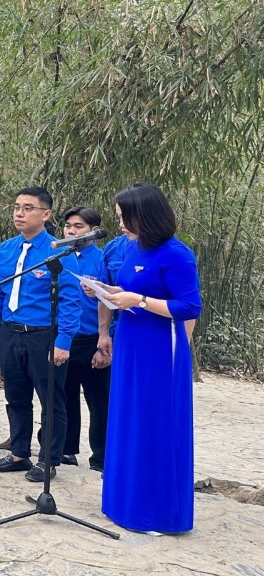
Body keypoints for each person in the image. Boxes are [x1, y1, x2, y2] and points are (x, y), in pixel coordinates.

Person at [94, 183, 202, 534]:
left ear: (146, 215)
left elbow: (189, 306)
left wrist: (138, 301)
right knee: (127, 418)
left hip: (159, 347)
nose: (120, 224)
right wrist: (107, 292)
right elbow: (129, 290)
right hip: (130, 341)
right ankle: (123, 503)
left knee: (155, 421)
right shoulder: (131, 247)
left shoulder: (177, 254)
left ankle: (157, 512)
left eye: (124, 217)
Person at [0, 186, 80, 482]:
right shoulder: (5, 249)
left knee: (50, 400)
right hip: (11, 332)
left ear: (46, 214)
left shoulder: (59, 251)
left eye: (28, 208)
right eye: (16, 207)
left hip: (44, 335)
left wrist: (64, 340)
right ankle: (19, 453)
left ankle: (48, 460)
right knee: (16, 396)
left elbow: (71, 298)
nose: (19, 213)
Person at [59, 206, 112, 472]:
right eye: (68, 226)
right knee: (64, 396)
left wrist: (105, 343)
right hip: (65, 338)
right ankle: (66, 450)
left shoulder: (103, 260)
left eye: (78, 226)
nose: (71, 231)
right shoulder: (58, 258)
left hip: (93, 338)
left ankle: (101, 458)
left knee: (99, 401)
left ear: (94, 230)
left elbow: (114, 305)